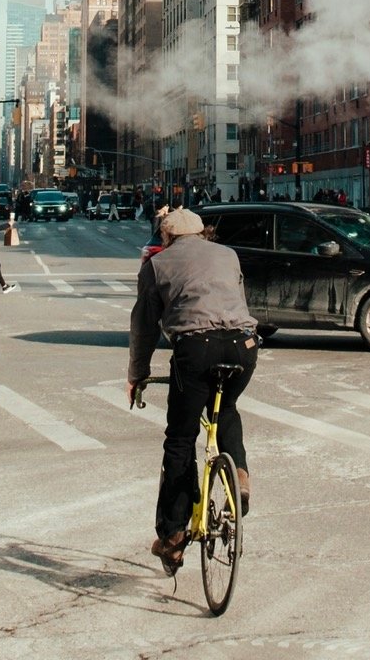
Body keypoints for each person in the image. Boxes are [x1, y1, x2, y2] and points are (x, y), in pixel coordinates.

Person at [127, 208, 258, 576]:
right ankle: (240, 478)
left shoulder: (157, 264)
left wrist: (138, 374)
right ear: (203, 234)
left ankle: (173, 536)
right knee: (227, 407)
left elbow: (144, 328)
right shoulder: (228, 254)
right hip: (244, 346)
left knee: (181, 440)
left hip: (195, 349)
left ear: (166, 238)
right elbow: (239, 300)